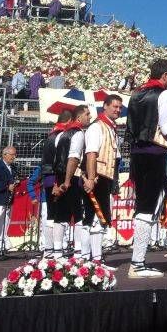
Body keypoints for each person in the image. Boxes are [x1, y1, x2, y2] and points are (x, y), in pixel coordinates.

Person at [125, 59, 167, 278]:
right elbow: (166, 127)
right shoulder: (163, 93)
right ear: (165, 75)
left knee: (142, 205)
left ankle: (138, 260)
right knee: (147, 208)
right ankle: (137, 263)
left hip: (137, 151)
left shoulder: (136, 93)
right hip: (154, 151)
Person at [82, 94, 123, 264]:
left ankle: (90, 257)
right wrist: (91, 178)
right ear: (104, 106)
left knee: (97, 219)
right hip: (98, 177)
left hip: (105, 178)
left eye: (119, 107)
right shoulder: (97, 127)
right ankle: (92, 258)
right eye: (114, 106)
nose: (118, 110)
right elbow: (91, 154)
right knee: (94, 218)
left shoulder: (110, 128)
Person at [29, 109, 73, 255]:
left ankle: (49, 250)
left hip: (48, 177)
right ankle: (57, 251)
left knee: (50, 216)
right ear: (69, 121)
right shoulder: (62, 135)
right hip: (56, 178)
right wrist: (59, 181)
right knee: (59, 215)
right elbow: (59, 160)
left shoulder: (51, 134)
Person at [52, 104, 91, 259]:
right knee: (78, 214)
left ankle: (56, 252)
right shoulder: (78, 133)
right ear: (79, 117)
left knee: (60, 215)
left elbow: (57, 158)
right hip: (72, 178)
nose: (90, 117)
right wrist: (67, 181)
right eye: (87, 114)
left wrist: (58, 181)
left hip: (61, 176)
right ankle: (80, 251)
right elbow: (73, 158)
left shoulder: (62, 134)